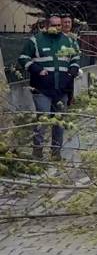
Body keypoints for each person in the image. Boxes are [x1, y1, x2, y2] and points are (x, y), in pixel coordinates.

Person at [18, 14, 80, 161]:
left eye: (58, 25)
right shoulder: (36, 41)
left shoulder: (69, 42)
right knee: (43, 119)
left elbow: (76, 58)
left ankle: (55, 153)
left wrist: (72, 71)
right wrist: (37, 69)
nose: (56, 28)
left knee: (59, 122)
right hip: (42, 89)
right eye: (53, 25)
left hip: (62, 89)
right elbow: (23, 58)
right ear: (46, 25)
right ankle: (37, 153)